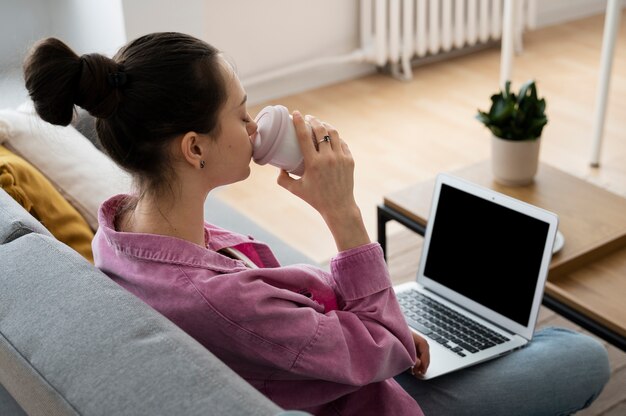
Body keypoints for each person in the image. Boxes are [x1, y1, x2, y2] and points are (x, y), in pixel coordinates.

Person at [23, 32, 610, 416]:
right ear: (195, 149)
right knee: (578, 355)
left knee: (528, 344)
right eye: (241, 113)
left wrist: (381, 325)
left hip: (337, 364)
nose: (255, 127)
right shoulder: (220, 301)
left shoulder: (122, 232)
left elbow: (280, 312)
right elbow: (383, 348)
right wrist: (343, 213)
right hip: (372, 395)